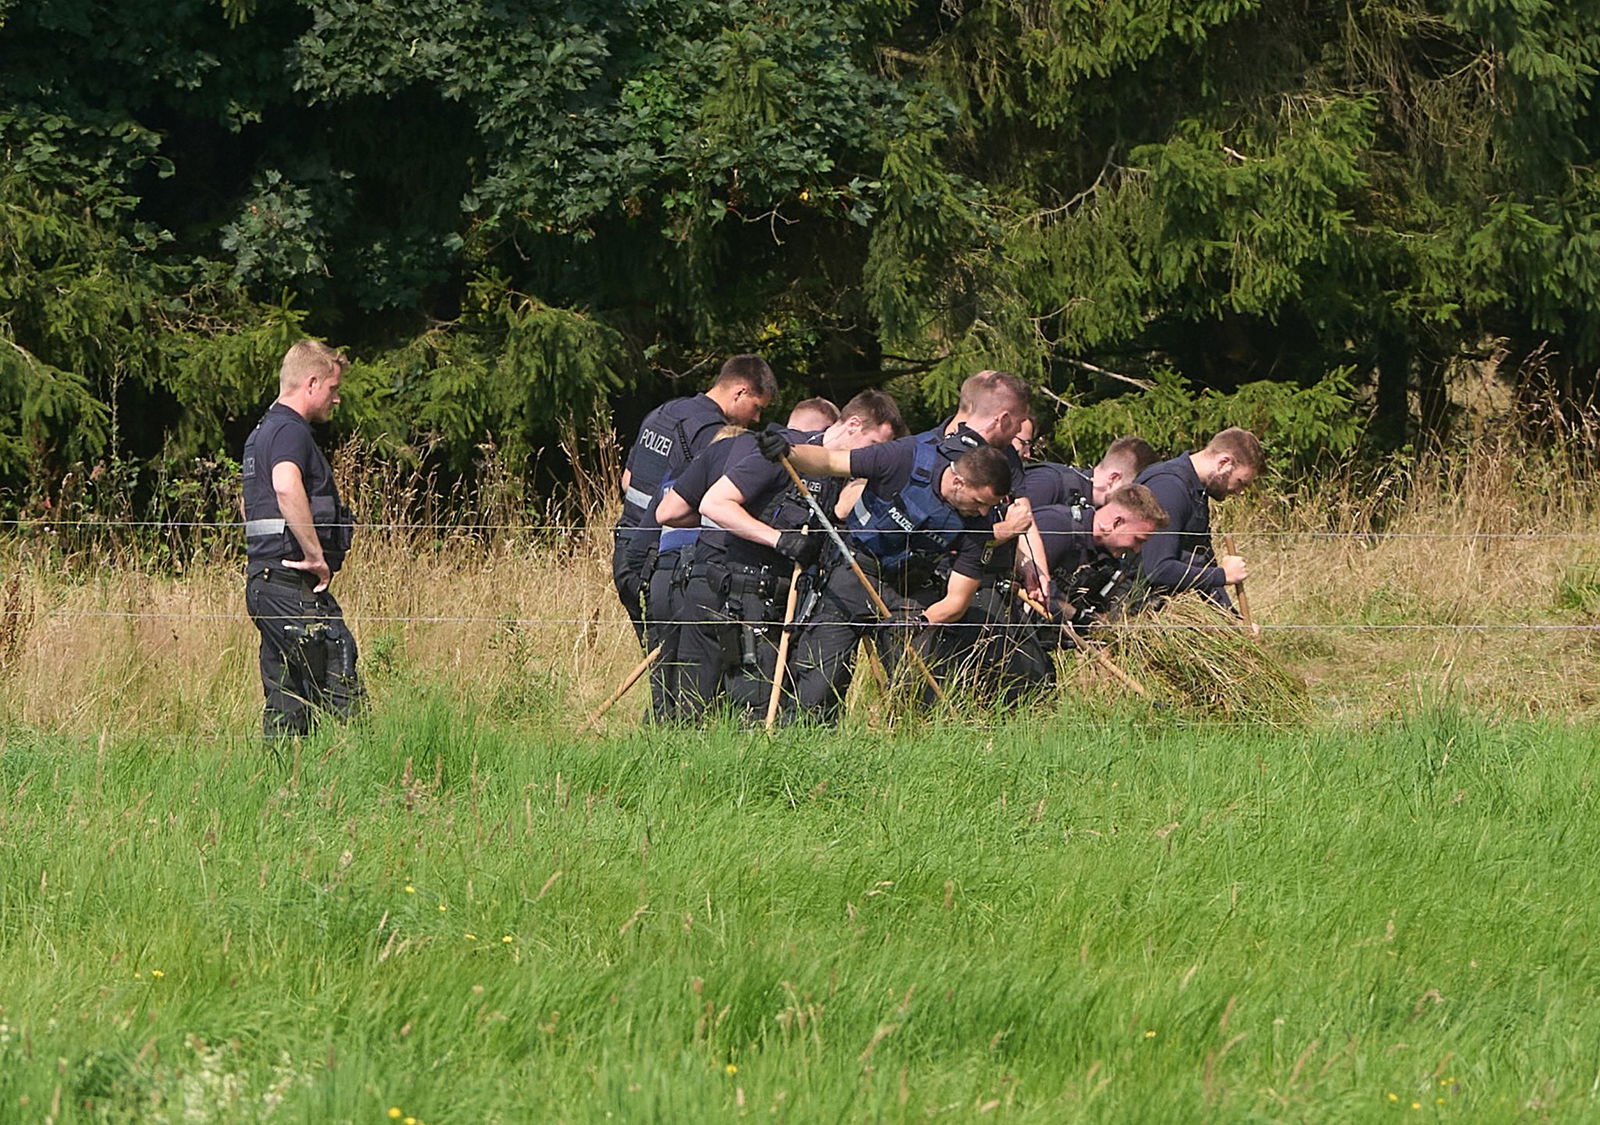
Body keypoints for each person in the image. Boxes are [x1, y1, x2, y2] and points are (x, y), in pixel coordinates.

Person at [757, 427, 1012, 723]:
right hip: (853, 571)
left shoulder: (977, 526)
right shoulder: (903, 457)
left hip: (909, 592)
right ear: (958, 481)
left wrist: (921, 621)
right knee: (819, 683)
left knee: (914, 691)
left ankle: (910, 737)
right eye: (979, 502)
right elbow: (830, 461)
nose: (983, 513)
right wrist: (789, 452)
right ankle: (807, 736)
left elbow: (957, 600)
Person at [696, 391, 906, 719]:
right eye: (875, 444)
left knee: (800, 703)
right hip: (755, 593)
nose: (875, 455)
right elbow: (714, 503)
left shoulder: (845, 475)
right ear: (853, 425)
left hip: (802, 602)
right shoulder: (784, 452)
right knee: (757, 701)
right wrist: (779, 539)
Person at [241, 339, 362, 741]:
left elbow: (249, 505)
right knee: (339, 680)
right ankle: (367, 763)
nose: (336, 398)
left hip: (267, 582)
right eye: (332, 388)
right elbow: (285, 485)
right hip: (292, 583)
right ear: (311, 383)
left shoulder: (262, 432)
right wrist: (315, 556)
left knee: (287, 696)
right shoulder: (291, 430)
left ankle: (284, 772)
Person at [612, 355, 777, 639]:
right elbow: (710, 505)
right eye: (757, 407)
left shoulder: (664, 412)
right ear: (741, 392)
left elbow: (627, 481)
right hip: (657, 559)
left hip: (626, 547)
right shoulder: (711, 433)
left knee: (657, 654)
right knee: (677, 659)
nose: (756, 419)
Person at [1135, 427, 1265, 607]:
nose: (1240, 492)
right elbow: (1158, 569)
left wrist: (1231, 619)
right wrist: (1222, 575)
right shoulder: (1169, 488)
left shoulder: (1196, 491)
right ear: (1224, 463)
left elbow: (1201, 563)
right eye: (1240, 482)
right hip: (1132, 611)